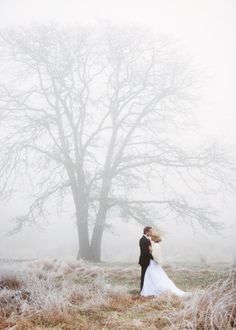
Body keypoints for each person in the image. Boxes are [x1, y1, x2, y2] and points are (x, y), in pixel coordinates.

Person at [140, 229, 190, 297]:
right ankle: (150, 288)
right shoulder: (155, 244)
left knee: (153, 276)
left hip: (153, 262)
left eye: (152, 237)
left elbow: (156, 255)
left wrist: (151, 251)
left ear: (154, 238)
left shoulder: (156, 245)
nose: (151, 237)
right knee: (152, 276)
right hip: (152, 263)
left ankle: (152, 289)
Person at [138, 226, 153, 291]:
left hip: (147, 260)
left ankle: (147, 289)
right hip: (144, 261)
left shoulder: (147, 239)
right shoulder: (142, 239)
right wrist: (152, 257)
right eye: (150, 231)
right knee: (144, 276)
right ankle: (142, 290)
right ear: (147, 231)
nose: (151, 232)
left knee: (147, 276)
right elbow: (145, 251)